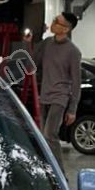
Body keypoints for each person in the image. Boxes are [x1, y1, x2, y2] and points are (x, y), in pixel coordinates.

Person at [29, 13, 82, 160]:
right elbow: (33, 61)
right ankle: (47, 167)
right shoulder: (47, 44)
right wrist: (31, 41)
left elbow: (76, 82)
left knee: (50, 134)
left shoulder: (73, 52)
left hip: (60, 97)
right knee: (43, 136)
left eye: (57, 21)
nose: (53, 23)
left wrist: (72, 109)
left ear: (66, 29)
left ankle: (59, 171)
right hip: (45, 95)